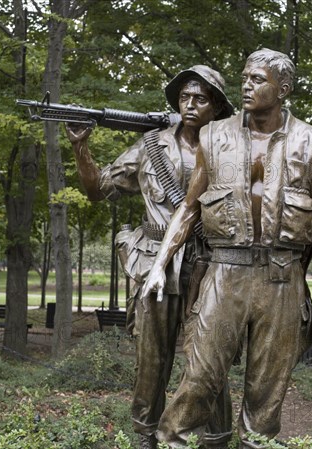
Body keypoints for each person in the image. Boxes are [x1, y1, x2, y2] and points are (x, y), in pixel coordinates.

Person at [141, 48, 312, 448]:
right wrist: (159, 264)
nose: (246, 85)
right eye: (245, 77)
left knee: (266, 400)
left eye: (257, 79)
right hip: (224, 273)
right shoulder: (213, 135)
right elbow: (188, 208)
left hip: (282, 279)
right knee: (197, 380)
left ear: (283, 89)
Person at [65, 65, 235, 449]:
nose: (190, 105)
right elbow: (97, 190)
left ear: (217, 106)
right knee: (151, 359)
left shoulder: (229, 148)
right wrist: (81, 146)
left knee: (209, 358)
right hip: (154, 263)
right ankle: (145, 436)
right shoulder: (150, 146)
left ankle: (218, 437)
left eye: (201, 98)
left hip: (209, 264)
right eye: (184, 97)